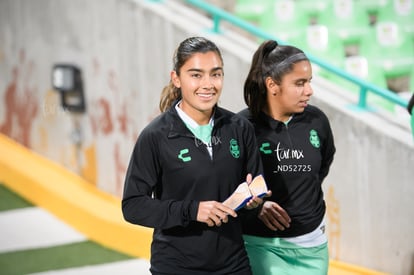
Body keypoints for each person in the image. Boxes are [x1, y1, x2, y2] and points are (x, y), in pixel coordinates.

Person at [122, 36, 265, 275]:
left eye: (215, 74)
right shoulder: (155, 136)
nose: (208, 84)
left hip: (234, 265)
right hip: (176, 266)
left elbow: (253, 187)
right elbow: (133, 206)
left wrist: (254, 201)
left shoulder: (240, 128)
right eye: (196, 75)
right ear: (176, 79)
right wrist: (192, 210)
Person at [239, 40, 336, 275]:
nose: (309, 91)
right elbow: (228, 182)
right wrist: (256, 207)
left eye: (309, 82)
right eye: (299, 83)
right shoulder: (242, 126)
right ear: (273, 85)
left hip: (313, 244)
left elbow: (322, 167)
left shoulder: (317, 121)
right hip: (261, 245)